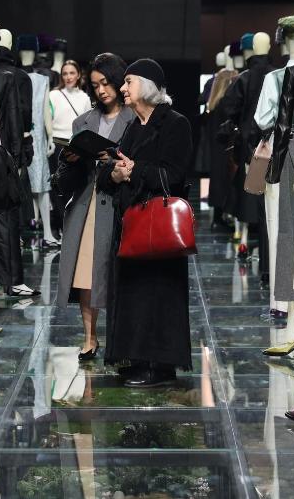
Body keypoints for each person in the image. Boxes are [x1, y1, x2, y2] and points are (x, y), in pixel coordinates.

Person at [97, 58, 193, 387]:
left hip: (158, 225)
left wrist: (134, 170)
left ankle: (159, 365)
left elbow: (174, 176)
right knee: (134, 292)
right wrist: (115, 173)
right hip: (132, 224)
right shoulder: (133, 126)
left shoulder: (175, 123)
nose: (122, 88)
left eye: (129, 82)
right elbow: (115, 169)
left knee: (157, 292)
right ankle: (138, 357)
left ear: (148, 86)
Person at [52, 53, 135, 360]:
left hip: (120, 205)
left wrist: (113, 159)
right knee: (86, 273)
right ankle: (90, 337)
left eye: (106, 83)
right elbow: (67, 175)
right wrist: (71, 159)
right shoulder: (83, 121)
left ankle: (121, 338)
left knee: (119, 273)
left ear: (119, 81)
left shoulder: (134, 119)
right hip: (88, 203)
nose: (101, 90)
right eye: (96, 85)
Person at [47, 59, 91, 237]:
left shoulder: (84, 98)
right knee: (57, 185)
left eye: (72, 73)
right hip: (57, 144)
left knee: (74, 186)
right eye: (65, 73)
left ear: (78, 75)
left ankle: (71, 224)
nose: (68, 76)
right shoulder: (54, 95)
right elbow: (48, 120)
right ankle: (60, 224)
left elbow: (87, 124)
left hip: (76, 146)